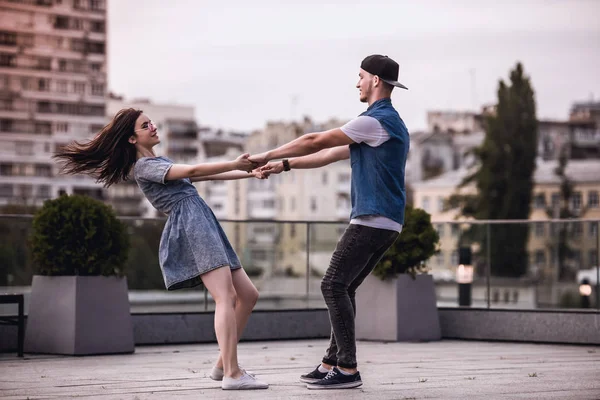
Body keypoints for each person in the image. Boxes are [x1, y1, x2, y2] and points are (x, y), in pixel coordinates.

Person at [53, 108, 269, 391]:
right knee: (225, 296)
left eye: (151, 122)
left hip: (203, 221)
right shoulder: (144, 167)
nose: (153, 127)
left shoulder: (159, 161)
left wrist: (248, 173)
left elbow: (203, 178)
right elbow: (193, 170)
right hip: (192, 226)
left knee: (248, 295)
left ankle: (221, 366)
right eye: (145, 125)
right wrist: (234, 162)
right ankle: (232, 373)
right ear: (132, 139)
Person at [251, 54, 410, 390]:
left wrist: (268, 154)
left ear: (375, 81)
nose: (357, 83)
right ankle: (331, 362)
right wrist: (286, 166)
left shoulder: (375, 121)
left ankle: (348, 369)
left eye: (361, 76)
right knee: (345, 287)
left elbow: (315, 140)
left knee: (331, 285)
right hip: (387, 221)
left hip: (372, 218)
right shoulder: (384, 124)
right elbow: (327, 154)